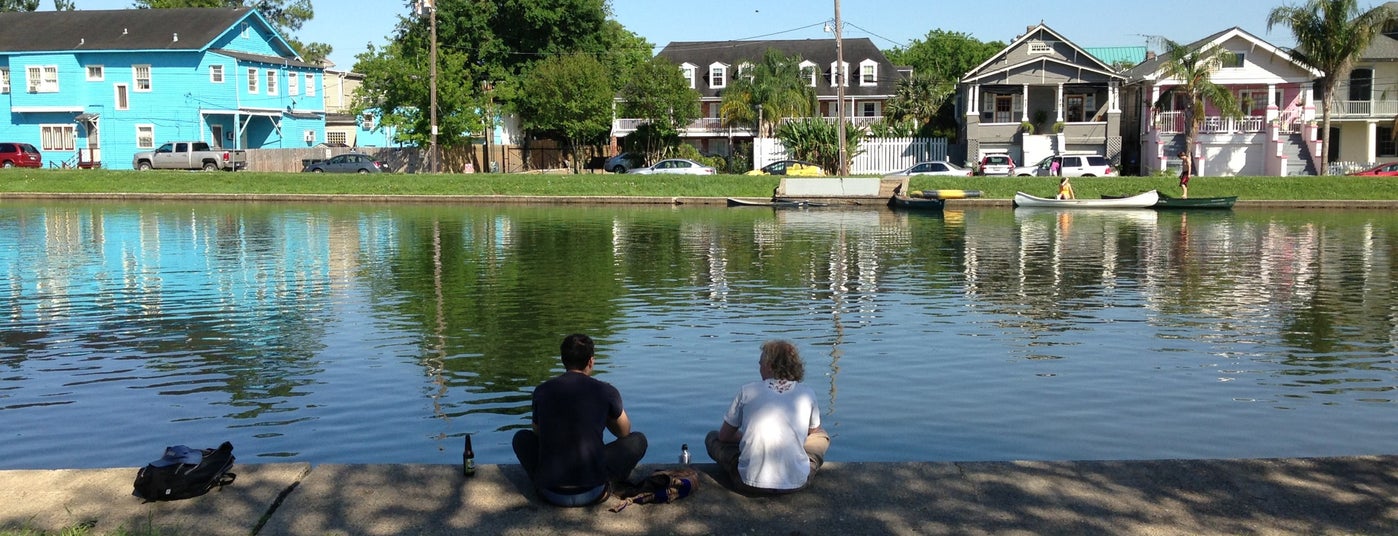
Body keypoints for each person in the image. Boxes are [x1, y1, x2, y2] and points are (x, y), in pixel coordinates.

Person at [513, 334, 647, 506]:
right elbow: (624, 432)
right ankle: (608, 482)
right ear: (591, 361)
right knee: (638, 440)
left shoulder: (542, 391)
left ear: (563, 360)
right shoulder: (606, 391)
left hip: (550, 493)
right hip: (593, 492)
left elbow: (538, 432)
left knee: (521, 438)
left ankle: (544, 480)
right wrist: (603, 415)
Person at [705, 340, 830, 495]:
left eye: (760, 364)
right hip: (796, 483)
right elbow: (813, 430)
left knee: (712, 437)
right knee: (821, 436)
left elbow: (724, 436)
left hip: (747, 482)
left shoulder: (747, 391)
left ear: (769, 365)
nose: (759, 368)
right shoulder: (807, 393)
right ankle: (801, 464)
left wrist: (747, 437)